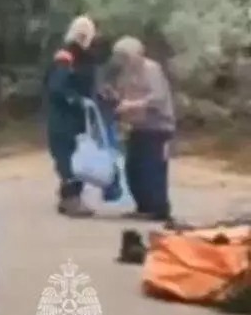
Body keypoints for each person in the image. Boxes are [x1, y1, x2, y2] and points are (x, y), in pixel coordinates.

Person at [111, 36, 175, 222]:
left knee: (153, 167)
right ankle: (143, 205)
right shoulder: (125, 73)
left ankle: (158, 208)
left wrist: (133, 105)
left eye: (125, 56)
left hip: (157, 126)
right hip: (137, 126)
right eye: (119, 57)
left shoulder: (151, 69)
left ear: (137, 54)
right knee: (134, 168)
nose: (122, 60)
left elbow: (158, 97)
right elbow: (122, 94)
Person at [46, 15, 98, 218]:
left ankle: (69, 198)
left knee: (75, 156)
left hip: (75, 117)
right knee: (68, 158)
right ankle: (71, 199)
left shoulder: (83, 57)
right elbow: (57, 87)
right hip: (64, 118)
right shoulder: (66, 57)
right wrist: (77, 100)